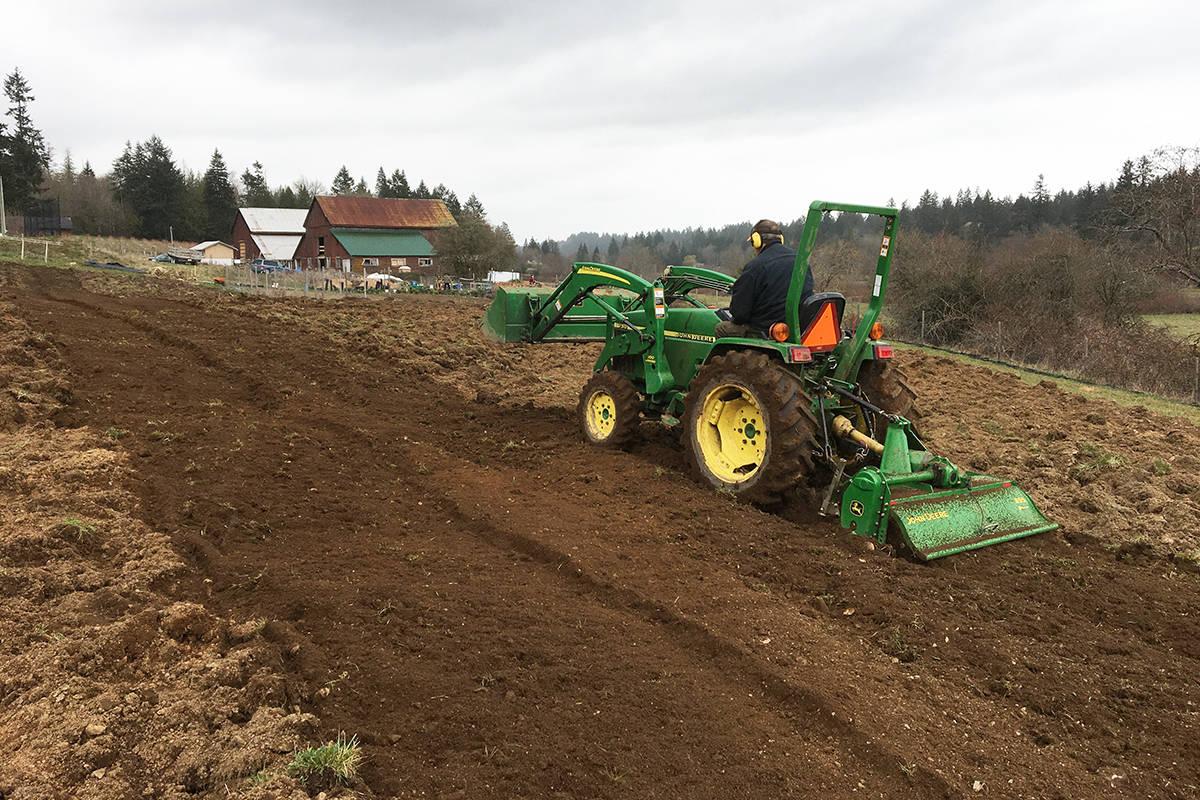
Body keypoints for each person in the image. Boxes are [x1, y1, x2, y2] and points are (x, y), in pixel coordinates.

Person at [714, 219, 813, 339]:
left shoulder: (756, 267)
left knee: (721, 328)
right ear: (781, 239)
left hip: (765, 330)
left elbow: (740, 314)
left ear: (757, 241)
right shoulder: (801, 263)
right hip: (798, 328)